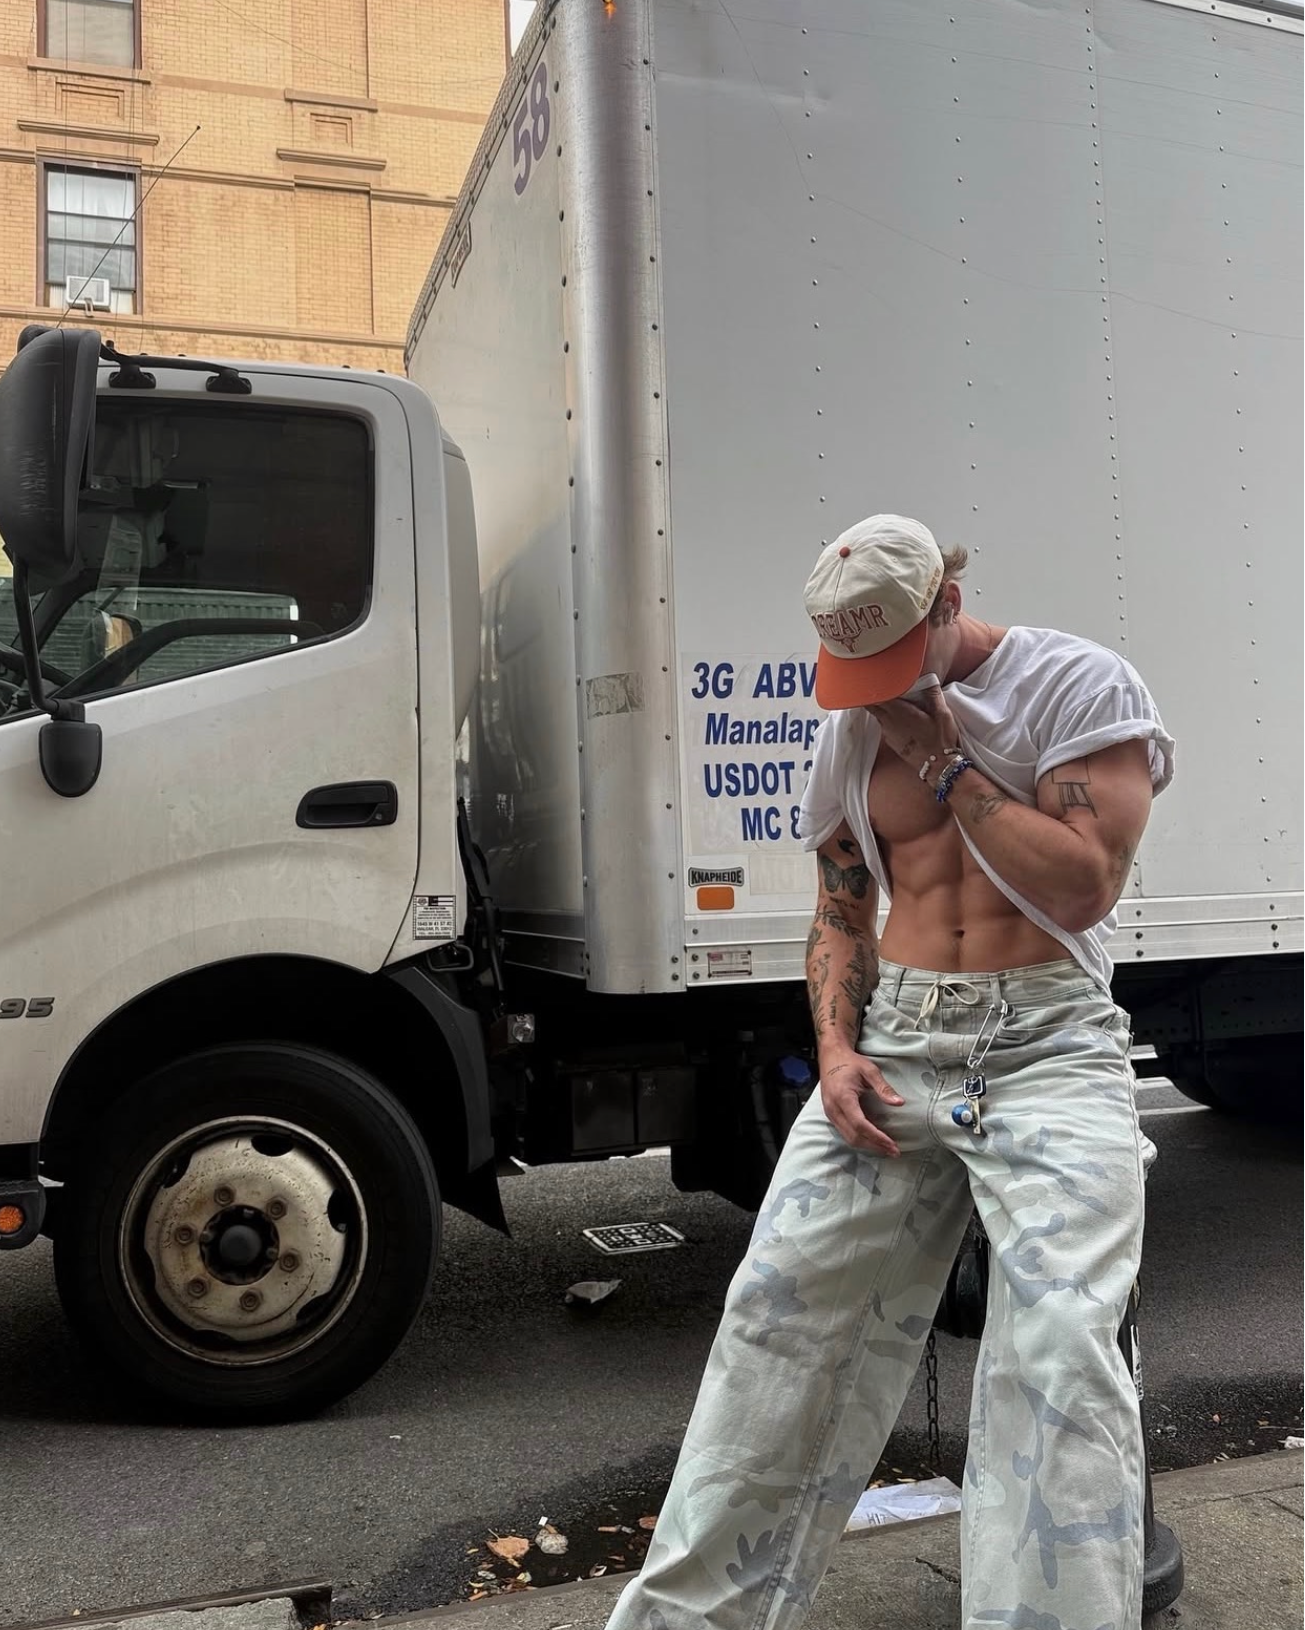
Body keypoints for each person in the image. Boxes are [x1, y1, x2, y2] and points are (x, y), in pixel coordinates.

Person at [605, 514, 1175, 1630]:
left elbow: (1078, 889)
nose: (866, 692)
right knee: (775, 1319)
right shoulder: (854, 724)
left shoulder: (1078, 686)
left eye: (887, 661)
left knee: (1059, 1356)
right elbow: (839, 905)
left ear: (948, 605)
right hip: (900, 1035)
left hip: (1049, 1043)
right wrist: (833, 1047)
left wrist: (947, 757)